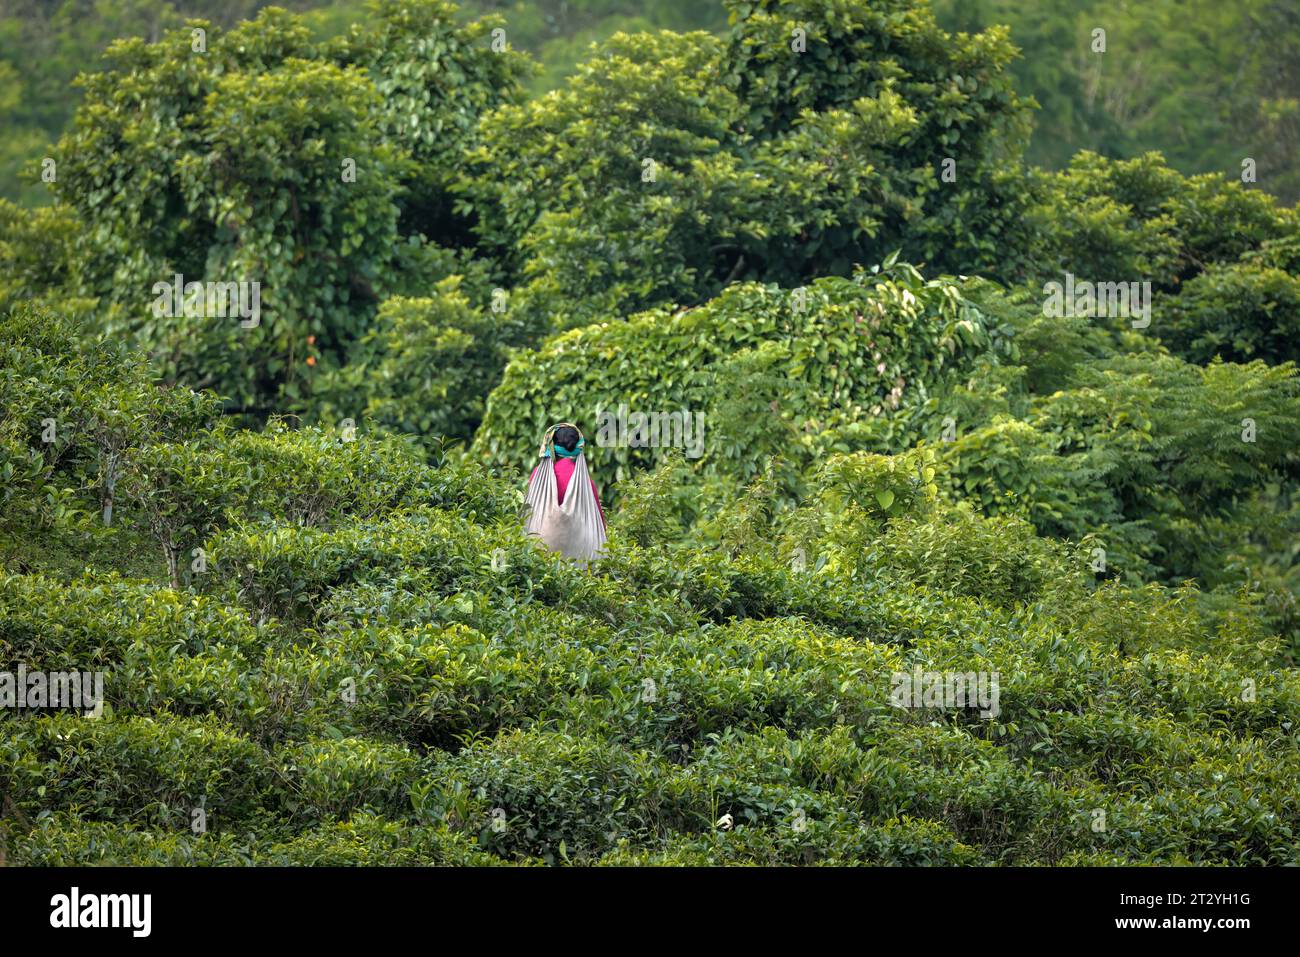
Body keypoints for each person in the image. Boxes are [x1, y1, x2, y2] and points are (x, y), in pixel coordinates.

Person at [524, 423, 607, 564]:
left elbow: (528, 512)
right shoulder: (585, 483)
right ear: (577, 447)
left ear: (552, 446)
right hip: (577, 556)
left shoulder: (538, 476)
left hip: (541, 553)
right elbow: (600, 524)